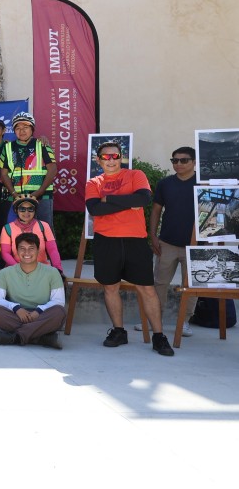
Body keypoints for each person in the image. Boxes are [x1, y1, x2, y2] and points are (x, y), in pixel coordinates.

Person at [86, 141, 175, 356]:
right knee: (110, 287)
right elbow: (95, 209)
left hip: (135, 240)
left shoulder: (136, 175)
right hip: (106, 241)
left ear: (121, 158)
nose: (111, 160)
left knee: (147, 288)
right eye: (106, 157)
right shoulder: (93, 182)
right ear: (98, 160)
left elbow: (143, 198)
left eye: (115, 156)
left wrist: (110, 199)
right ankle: (118, 331)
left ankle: (159, 336)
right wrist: (128, 201)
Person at [147, 146, 198, 337]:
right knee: (159, 283)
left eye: (183, 160)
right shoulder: (165, 183)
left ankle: (184, 322)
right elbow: (156, 211)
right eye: (174, 160)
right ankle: (155, 320)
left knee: (191, 286)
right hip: (167, 242)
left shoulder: (203, 184)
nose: (178, 164)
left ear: (194, 162)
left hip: (194, 245)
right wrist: (153, 235)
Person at [0, 232, 65, 349]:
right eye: (22, 249)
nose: (27, 253)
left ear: (38, 250)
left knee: (59, 312)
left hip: (42, 314)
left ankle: (16, 337)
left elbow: (59, 301)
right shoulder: (5, 273)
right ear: (16, 250)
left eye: (31, 249)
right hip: (17, 314)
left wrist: (39, 311)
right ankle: (40, 338)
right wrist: (16, 308)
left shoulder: (52, 272)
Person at [0, 112, 57, 228]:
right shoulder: (7, 147)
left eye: (25, 127)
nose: (22, 131)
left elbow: (52, 169)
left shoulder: (42, 145)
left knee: (44, 230)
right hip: (16, 197)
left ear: (32, 129)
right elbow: (3, 173)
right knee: (15, 231)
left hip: (42, 197)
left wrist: (39, 192)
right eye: (18, 128)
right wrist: (14, 193)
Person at [0, 195, 63, 273]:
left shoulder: (44, 226)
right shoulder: (7, 228)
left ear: (35, 211)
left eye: (30, 209)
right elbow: (5, 253)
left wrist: (58, 269)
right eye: (22, 209)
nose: (26, 212)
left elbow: (53, 250)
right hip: (16, 270)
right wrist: (20, 270)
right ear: (16, 210)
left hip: (41, 270)